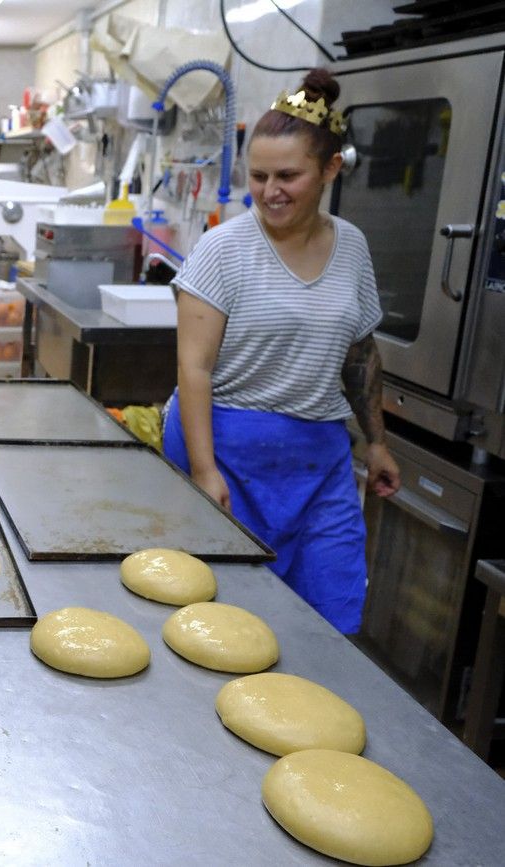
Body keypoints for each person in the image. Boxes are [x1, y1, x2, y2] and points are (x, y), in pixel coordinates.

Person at [162, 68, 400, 635]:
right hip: (226, 446)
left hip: (318, 455)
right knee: (223, 618)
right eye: (259, 176)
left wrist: (378, 443)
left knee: (330, 614)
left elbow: (358, 353)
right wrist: (203, 469)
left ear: (330, 169)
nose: (271, 191)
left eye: (288, 176)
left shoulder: (352, 246)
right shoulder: (224, 249)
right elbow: (193, 369)